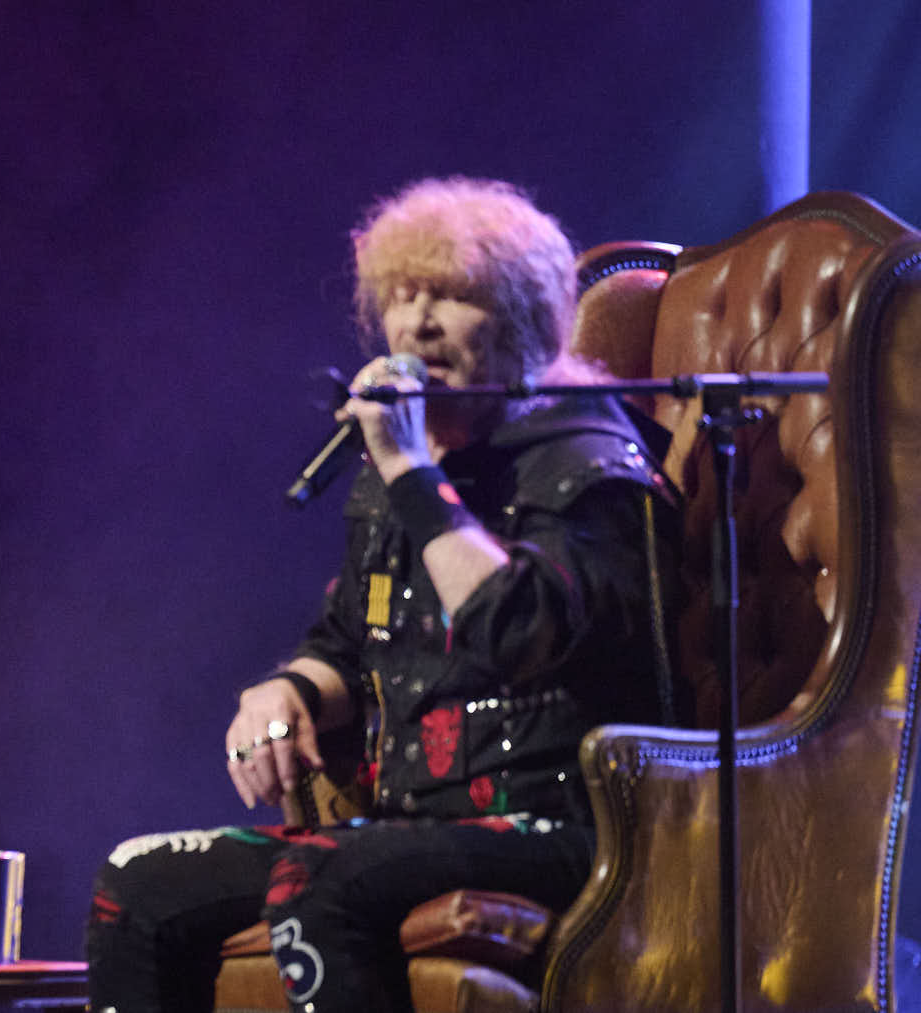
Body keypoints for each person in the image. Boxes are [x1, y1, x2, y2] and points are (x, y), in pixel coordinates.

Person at [85, 178, 679, 1012]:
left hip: (564, 824)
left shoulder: (585, 458)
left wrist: (412, 473)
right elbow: (349, 642)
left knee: (318, 878)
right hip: (412, 826)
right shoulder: (404, 467)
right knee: (138, 880)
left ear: (520, 321)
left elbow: (518, 628)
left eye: (454, 298)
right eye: (402, 297)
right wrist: (285, 692)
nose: (418, 324)